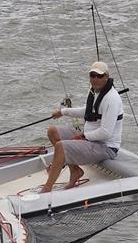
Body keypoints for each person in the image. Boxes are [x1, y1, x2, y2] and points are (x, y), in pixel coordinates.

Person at [41, 61, 124, 193]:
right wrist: (63, 112)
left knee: (60, 147)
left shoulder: (111, 99)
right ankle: (75, 172)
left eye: (100, 76)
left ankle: (47, 189)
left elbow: (106, 133)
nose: (95, 79)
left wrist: (83, 136)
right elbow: (87, 111)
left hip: (106, 147)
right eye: (93, 75)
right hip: (90, 139)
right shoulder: (94, 91)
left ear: (107, 77)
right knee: (52, 131)